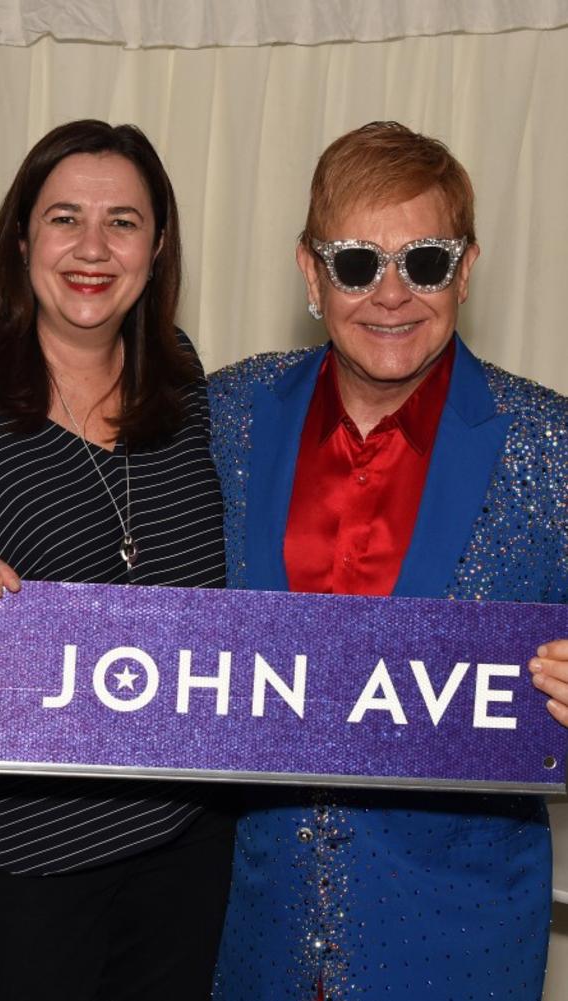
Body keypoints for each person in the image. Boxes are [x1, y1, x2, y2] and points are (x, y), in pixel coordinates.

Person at [209, 121, 568, 1001]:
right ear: (310, 272)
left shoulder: (553, 446)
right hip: (248, 937)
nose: (393, 295)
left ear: (469, 267)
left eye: (429, 261)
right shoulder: (225, 416)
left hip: (460, 949)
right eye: (359, 263)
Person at [0, 119, 233, 1000]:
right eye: (65, 218)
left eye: (123, 222)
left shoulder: (183, 384)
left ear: (158, 244)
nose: (93, 247)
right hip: (26, 865)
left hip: (184, 841)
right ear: (22, 238)